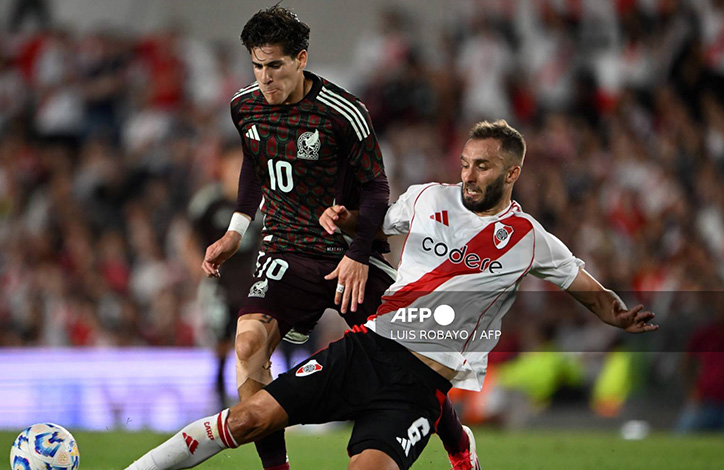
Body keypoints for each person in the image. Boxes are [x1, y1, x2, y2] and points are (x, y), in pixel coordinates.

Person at [124, 119, 658, 470]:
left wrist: (619, 315)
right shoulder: (428, 196)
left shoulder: (530, 238)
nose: (469, 175)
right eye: (467, 163)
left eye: (484, 166)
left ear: (513, 172)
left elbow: (585, 288)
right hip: (368, 348)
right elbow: (377, 223)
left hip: (421, 384)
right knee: (247, 419)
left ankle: (455, 437)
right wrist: (347, 217)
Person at [198, 6, 471, 470]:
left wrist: (360, 255)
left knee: (411, 356)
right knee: (248, 347)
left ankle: (459, 446)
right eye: (257, 66)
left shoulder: (343, 113)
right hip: (283, 249)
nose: (265, 78)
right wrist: (235, 230)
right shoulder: (243, 106)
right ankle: (275, 467)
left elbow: (376, 187)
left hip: (345, 252)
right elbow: (253, 161)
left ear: (301, 59)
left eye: (276, 66)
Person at [187, 144, 261, 409]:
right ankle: (218, 397)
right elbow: (189, 238)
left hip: (254, 284)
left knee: (255, 341)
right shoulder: (209, 202)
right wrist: (199, 266)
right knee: (220, 341)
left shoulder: (261, 201)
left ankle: (256, 398)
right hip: (219, 285)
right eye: (233, 166)